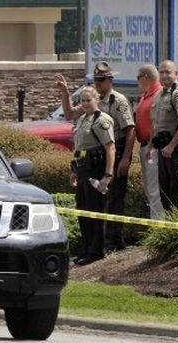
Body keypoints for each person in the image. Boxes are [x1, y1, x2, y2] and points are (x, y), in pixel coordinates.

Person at [56, 62, 135, 252]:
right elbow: (69, 114)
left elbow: (130, 129)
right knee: (93, 202)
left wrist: (125, 158)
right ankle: (96, 244)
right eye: (96, 79)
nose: (98, 83)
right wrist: (65, 93)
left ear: (110, 80)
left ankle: (113, 241)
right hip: (95, 158)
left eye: (102, 79)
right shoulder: (90, 101)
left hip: (115, 151)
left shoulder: (118, 100)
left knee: (114, 197)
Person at [67, 85, 115, 266]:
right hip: (83, 170)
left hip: (96, 171)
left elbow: (110, 148)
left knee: (96, 211)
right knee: (83, 211)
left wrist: (107, 176)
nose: (86, 103)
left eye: (89, 100)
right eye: (83, 101)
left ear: (97, 100)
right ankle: (86, 248)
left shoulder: (101, 120)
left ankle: (96, 251)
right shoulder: (82, 119)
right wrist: (74, 172)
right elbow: (80, 150)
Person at [148, 60, 178, 211]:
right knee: (165, 193)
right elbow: (156, 123)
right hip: (163, 150)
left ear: (176, 74)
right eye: (161, 72)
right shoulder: (159, 95)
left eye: (168, 72)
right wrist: (151, 147)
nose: (164, 75)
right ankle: (169, 224)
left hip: (177, 150)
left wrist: (171, 146)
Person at [134, 64, 165, 220]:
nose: (137, 82)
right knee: (149, 189)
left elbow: (157, 123)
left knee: (155, 189)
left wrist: (151, 146)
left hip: (154, 147)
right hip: (145, 146)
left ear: (146, 77)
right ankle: (155, 222)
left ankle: (158, 225)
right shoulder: (145, 95)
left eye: (138, 78)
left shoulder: (159, 95)